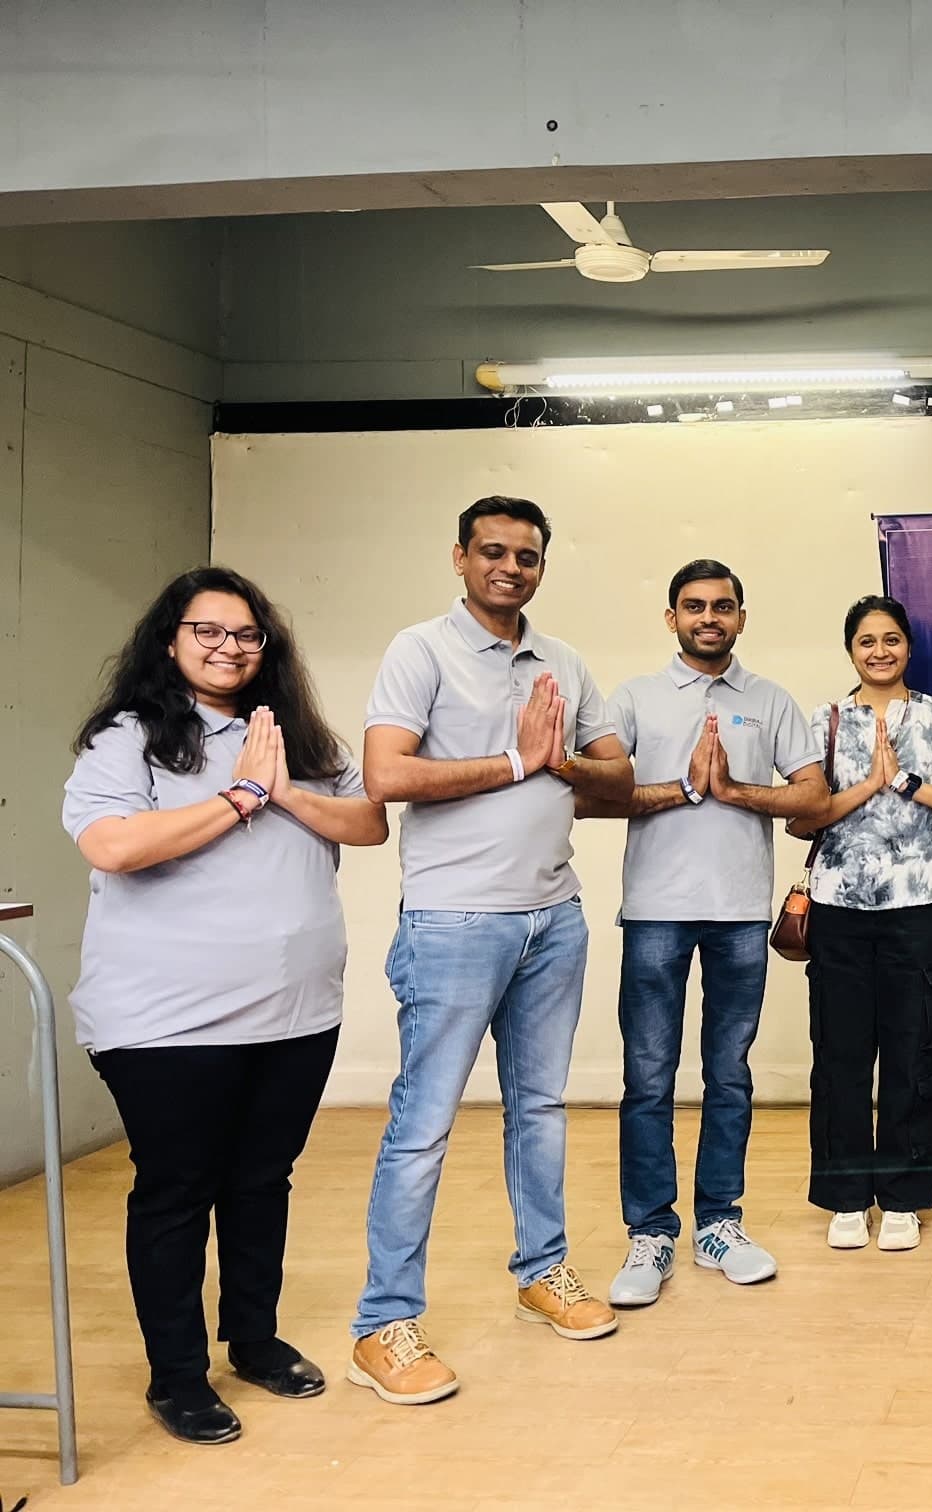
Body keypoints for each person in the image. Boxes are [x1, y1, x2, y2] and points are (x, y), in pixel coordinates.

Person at [63, 568, 388, 1445]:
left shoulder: (296, 737)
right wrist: (239, 796)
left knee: (260, 1181)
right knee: (177, 1191)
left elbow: (368, 824)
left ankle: (252, 1339)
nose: (228, 648)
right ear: (170, 640)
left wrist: (284, 787)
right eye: (207, 631)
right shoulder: (129, 737)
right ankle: (176, 1376)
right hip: (166, 1021)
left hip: (294, 1013)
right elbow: (112, 845)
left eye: (245, 634)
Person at [347, 496, 634, 1406]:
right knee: (424, 1124)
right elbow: (386, 775)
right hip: (455, 923)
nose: (511, 568)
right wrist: (515, 761)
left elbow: (619, 775)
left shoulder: (564, 661)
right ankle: (382, 1324)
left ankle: (543, 1272)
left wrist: (561, 761)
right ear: (460, 558)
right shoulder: (420, 651)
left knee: (540, 1108)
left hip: (554, 918)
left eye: (527, 556)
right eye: (494, 552)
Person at [576, 560, 827, 1305]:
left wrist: (737, 791)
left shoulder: (769, 700)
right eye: (694, 606)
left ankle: (719, 1223)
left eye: (722, 606)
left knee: (730, 1076)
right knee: (649, 1078)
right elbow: (590, 795)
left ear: (741, 617)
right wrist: (684, 789)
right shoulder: (634, 698)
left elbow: (812, 797)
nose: (708, 618)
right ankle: (651, 1233)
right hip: (655, 911)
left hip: (741, 913)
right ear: (672, 618)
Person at [787, 595, 932, 1252]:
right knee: (840, 1058)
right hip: (838, 912)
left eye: (891, 640)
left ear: (908, 646)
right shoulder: (824, 720)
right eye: (866, 641)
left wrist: (904, 782)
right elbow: (801, 817)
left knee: (914, 1054)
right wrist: (865, 786)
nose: (880, 652)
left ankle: (903, 1198)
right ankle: (847, 1197)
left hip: (917, 909)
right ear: (851, 650)